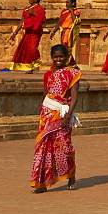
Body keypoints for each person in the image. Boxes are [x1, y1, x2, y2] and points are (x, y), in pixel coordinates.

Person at [30, 44, 80, 192]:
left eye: (61, 56)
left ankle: (71, 176)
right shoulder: (48, 74)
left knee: (64, 146)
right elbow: (45, 93)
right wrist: (43, 112)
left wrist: (69, 114)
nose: (58, 59)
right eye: (56, 57)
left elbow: (75, 95)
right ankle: (42, 183)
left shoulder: (73, 73)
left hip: (63, 113)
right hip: (47, 114)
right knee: (43, 148)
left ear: (66, 57)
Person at [9, 0, 46, 72]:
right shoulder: (26, 9)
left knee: (33, 49)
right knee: (27, 49)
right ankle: (30, 67)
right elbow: (21, 22)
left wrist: (34, 13)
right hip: (27, 32)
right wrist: (15, 33)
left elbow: (43, 20)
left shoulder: (39, 9)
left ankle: (36, 65)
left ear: (36, 0)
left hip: (35, 31)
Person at [52, 0, 81, 68]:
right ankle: (71, 64)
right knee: (63, 47)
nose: (66, 4)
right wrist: (54, 31)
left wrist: (71, 12)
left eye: (68, 2)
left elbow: (75, 21)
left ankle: (68, 63)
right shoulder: (63, 11)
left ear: (73, 3)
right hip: (63, 31)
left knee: (67, 47)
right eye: (66, 2)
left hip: (69, 31)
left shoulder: (76, 12)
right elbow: (59, 22)